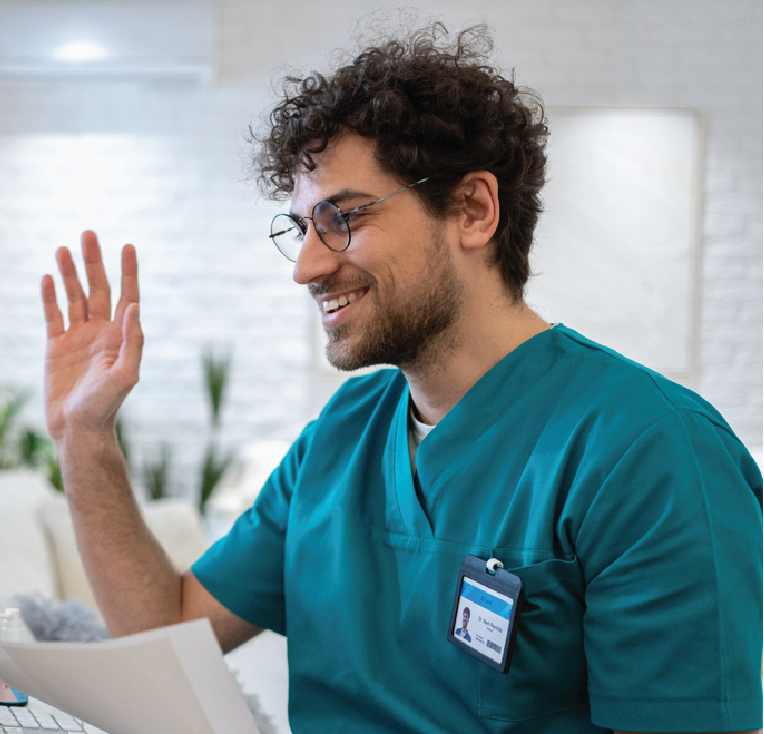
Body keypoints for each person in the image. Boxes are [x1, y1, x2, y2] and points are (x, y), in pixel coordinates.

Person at [39, 22, 763, 734]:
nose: (307, 267)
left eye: (344, 217)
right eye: (300, 228)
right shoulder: (340, 436)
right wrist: (84, 436)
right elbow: (165, 630)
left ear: (472, 210)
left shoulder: (650, 452)